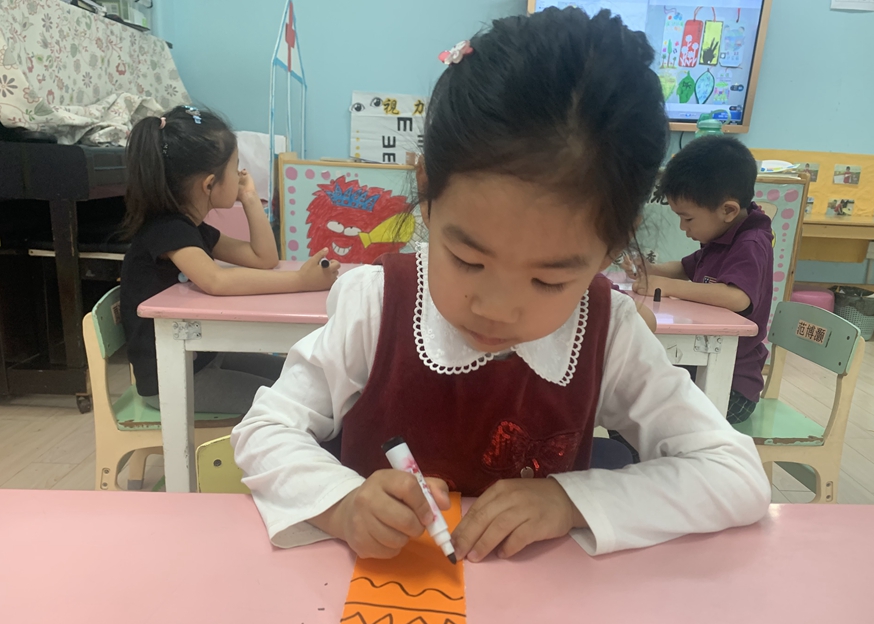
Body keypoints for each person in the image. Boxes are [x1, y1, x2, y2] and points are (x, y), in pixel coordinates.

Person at [233, 9, 769, 562]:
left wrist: (571, 501)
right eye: (467, 260)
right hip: (377, 597)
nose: (496, 308)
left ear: (611, 246)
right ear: (428, 194)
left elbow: (735, 474)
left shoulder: (609, 335)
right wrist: (342, 504)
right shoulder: (378, 304)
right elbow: (265, 429)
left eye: (548, 280)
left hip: (543, 608)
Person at [120, 105, 339, 414]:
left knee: (303, 380)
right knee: (301, 403)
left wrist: (249, 198)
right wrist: (301, 281)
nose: (240, 175)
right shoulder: (166, 230)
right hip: (174, 381)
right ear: (209, 184)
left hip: (202, 358)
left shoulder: (192, 229)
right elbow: (216, 280)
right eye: (235, 167)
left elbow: (264, 258)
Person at [629, 136, 773, 424]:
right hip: (702, 371)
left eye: (688, 218)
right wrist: (650, 269)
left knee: (644, 415)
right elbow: (685, 268)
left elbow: (737, 297)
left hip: (732, 389)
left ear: (728, 210)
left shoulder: (751, 242)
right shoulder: (722, 237)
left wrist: (668, 287)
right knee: (634, 405)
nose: (683, 227)